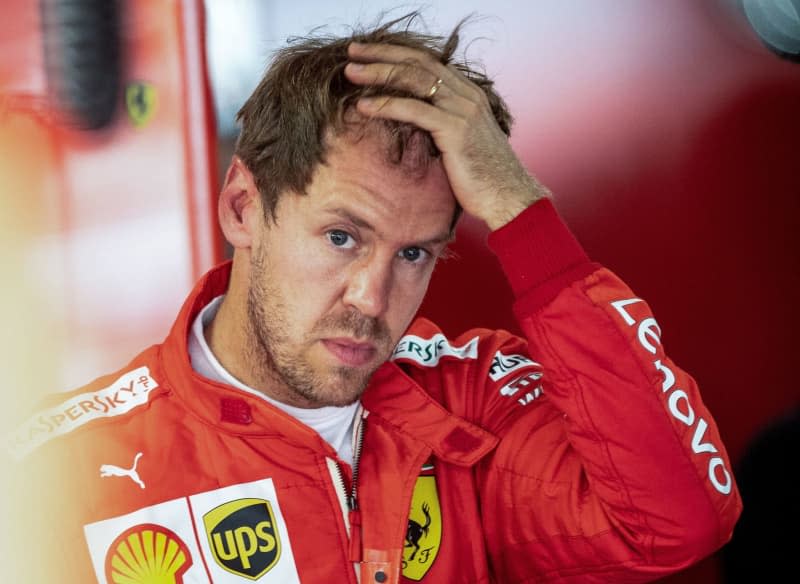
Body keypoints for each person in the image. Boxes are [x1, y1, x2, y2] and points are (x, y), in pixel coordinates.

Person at [7, 13, 741, 583]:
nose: (372, 298)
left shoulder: (471, 399)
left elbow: (676, 522)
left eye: (413, 253)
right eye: (342, 237)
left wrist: (523, 213)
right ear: (242, 208)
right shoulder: (59, 470)